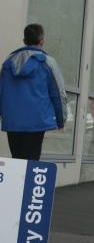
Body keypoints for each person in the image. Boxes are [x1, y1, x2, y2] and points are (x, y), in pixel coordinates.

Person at [0, 24, 67, 160]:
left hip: (13, 122)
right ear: (42, 41)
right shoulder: (48, 62)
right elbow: (58, 94)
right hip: (36, 122)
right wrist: (61, 120)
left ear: (24, 41)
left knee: (16, 161)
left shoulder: (8, 62)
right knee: (31, 163)